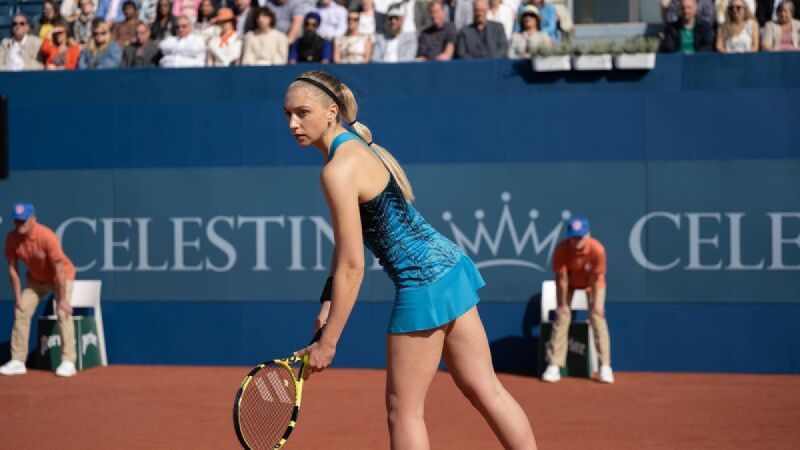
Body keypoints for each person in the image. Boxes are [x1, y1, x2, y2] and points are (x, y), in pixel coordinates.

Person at [285, 70, 538, 450]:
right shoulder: (358, 144)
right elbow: (345, 243)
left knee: (403, 411)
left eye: (303, 112)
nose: (293, 123)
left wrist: (329, 342)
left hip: (423, 284)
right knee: (486, 390)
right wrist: (327, 302)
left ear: (331, 111)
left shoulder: (337, 170)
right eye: (287, 114)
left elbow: (354, 266)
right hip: (450, 267)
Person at [0, 202, 78, 378]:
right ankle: (18, 361)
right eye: (17, 221)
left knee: (63, 312)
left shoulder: (46, 236)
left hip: (61, 276)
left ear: (33, 219)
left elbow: (59, 267)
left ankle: (68, 361)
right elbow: (12, 268)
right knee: (21, 311)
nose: (20, 225)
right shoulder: (12, 238)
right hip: (35, 280)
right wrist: (17, 297)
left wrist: (63, 299)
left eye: (24, 221)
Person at [541, 217, 614, 384]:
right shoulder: (561, 250)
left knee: (597, 317)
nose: (577, 241)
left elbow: (597, 279)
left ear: (588, 234)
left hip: (592, 284)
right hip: (569, 284)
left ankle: (605, 367)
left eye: (580, 236)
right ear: (569, 236)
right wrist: (562, 305)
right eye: (574, 237)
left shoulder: (598, 250)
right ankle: (554, 365)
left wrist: (597, 304)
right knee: (562, 317)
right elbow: (562, 279)